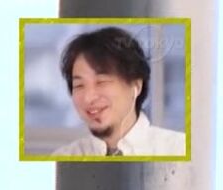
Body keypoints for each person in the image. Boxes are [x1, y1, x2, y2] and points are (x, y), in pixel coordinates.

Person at [52, 26, 186, 158]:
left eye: (101, 82)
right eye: (79, 85)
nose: (88, 97)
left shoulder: (178, 150)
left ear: (136, 86)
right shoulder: (64, 157)